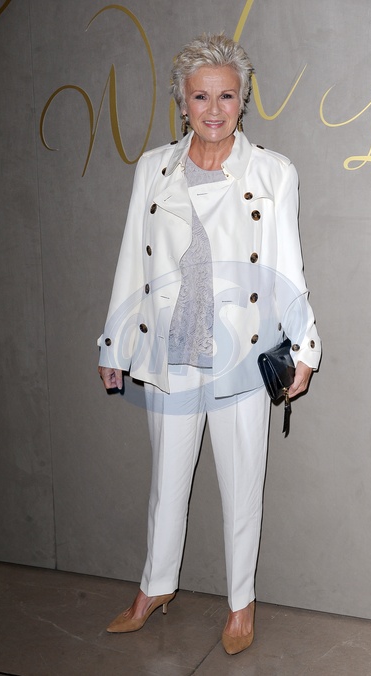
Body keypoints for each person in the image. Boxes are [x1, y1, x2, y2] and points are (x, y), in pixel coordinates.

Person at [98, 33, 321, 655]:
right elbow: (132, 261)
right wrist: (114, 344)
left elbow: (287, 266)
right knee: (166, 483)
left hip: (240, 356)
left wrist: (305, 347)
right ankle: (155, 587)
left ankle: (241, 603)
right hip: (170, 352)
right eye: (201, 96)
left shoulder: (273, 173)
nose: (214, 109)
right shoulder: (153, 169)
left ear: (242, 100)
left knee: (242, 486)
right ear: (182, 101)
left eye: (226, 95)